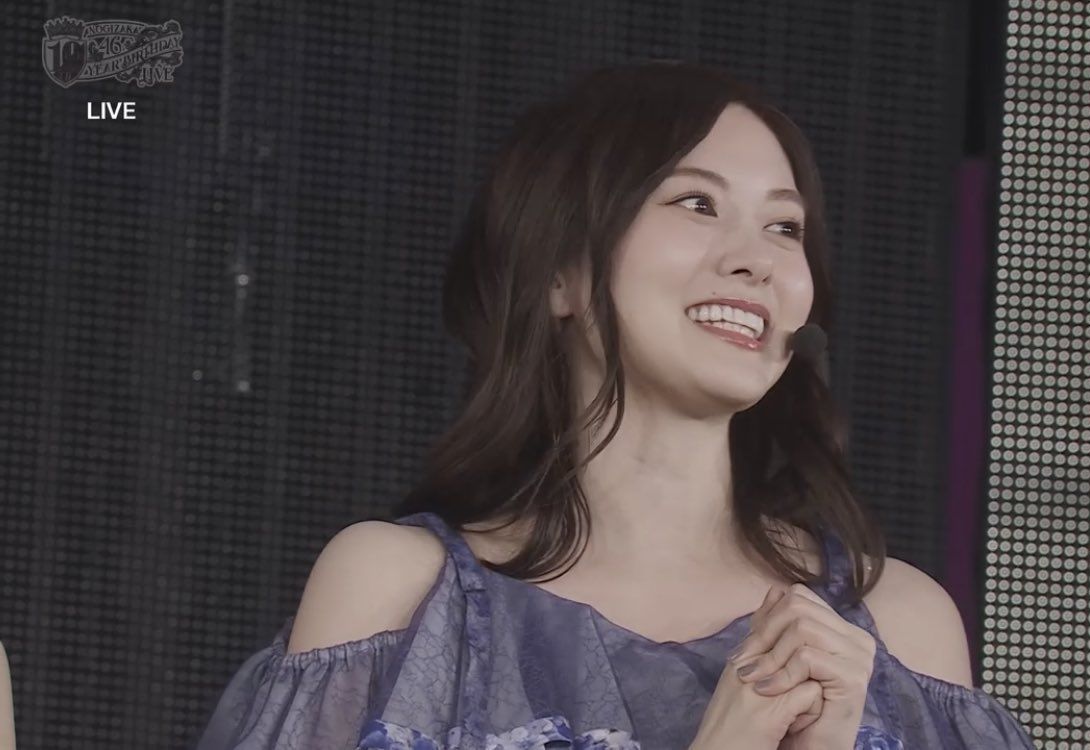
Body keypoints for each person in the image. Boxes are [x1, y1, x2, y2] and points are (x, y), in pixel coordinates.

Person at [193, 61, 1037, 750]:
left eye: (786, 228)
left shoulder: (902, 628)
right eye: (697, 203)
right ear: (559, 273)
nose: (758, 261)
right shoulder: (399, 599)